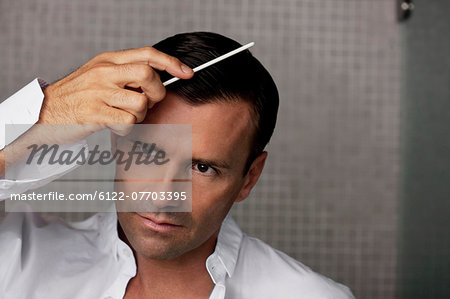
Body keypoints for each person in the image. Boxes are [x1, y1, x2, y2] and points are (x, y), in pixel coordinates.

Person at [0, 32, 355, 299]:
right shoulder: (15, 260)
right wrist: (44, 116)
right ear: (116, 141)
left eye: (203, 168)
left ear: (250, 178)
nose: (163, 195)